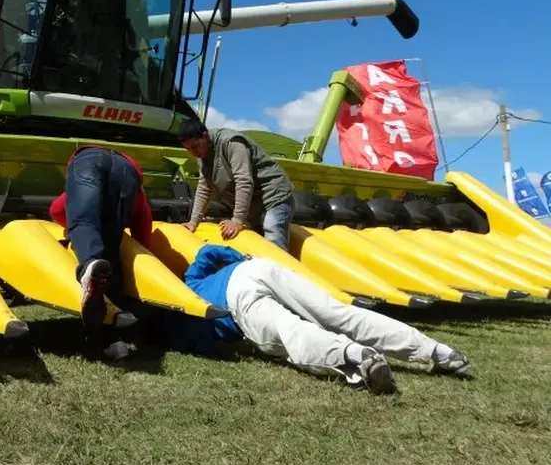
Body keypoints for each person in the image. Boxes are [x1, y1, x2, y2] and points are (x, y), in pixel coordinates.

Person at [166, 243, 471, 393]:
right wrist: (239, 257)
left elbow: (204, 343)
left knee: (290, 335)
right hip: (259, 268)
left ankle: (355, 356)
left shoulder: (184, 308)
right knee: (338, 313)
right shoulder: (193, 278)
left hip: (239, 301)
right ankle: (438, 352)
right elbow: (207, 251)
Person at [49, 145, 154, 358]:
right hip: (129, 171)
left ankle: (88, 265)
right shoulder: (138, 192)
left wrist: (73, 227)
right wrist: (144, 259)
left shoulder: (88, 160)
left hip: (86, 159)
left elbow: (57, 209)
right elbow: (143, 222)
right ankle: (113, 340)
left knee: (83, 222)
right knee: (111, 250)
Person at [177, 118, 295, 251]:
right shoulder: (202, 155)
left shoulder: (231, 142)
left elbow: (243, 181)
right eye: (187, 149)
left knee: (273, 235)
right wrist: (193, 222)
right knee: (256, 244)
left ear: (205, 136)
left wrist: (237, 220)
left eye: (194, 146)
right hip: (253, 204)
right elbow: (204, 187)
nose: (192, 152)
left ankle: (280, 269)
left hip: (273, 196)